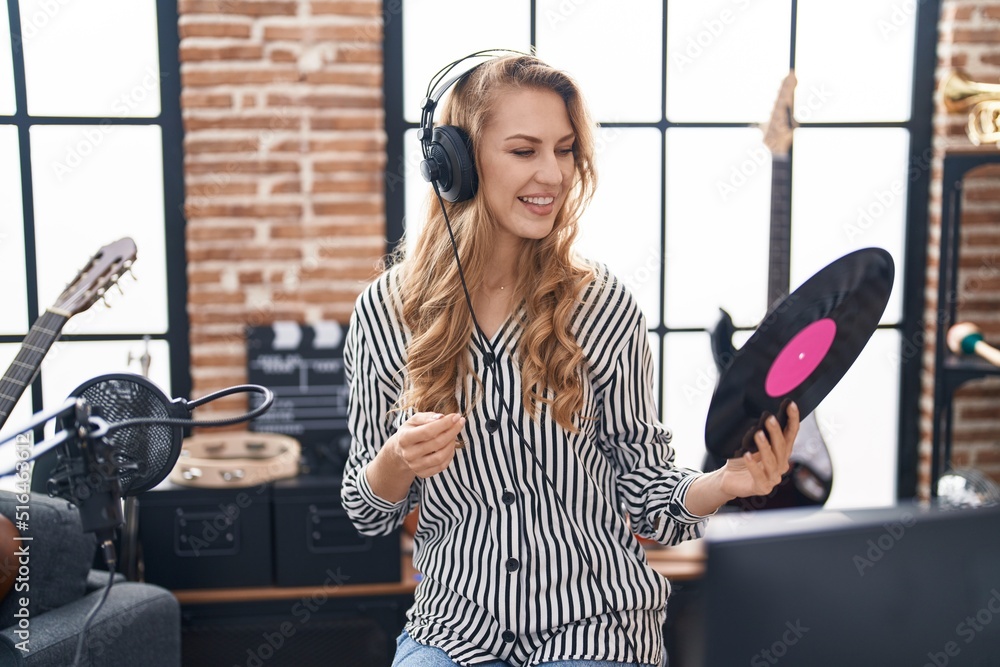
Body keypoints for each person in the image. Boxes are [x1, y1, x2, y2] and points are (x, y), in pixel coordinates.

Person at [341, 52, 799, 667]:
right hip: (452, 627)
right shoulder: (387, 310)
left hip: (597, 624)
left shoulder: (602, 303)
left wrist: (725, 483)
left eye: (564, 150)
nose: (553, 175)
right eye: (525, 150)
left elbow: (649, 497)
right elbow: (365, 511)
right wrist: (396, 460)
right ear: (457, 163)